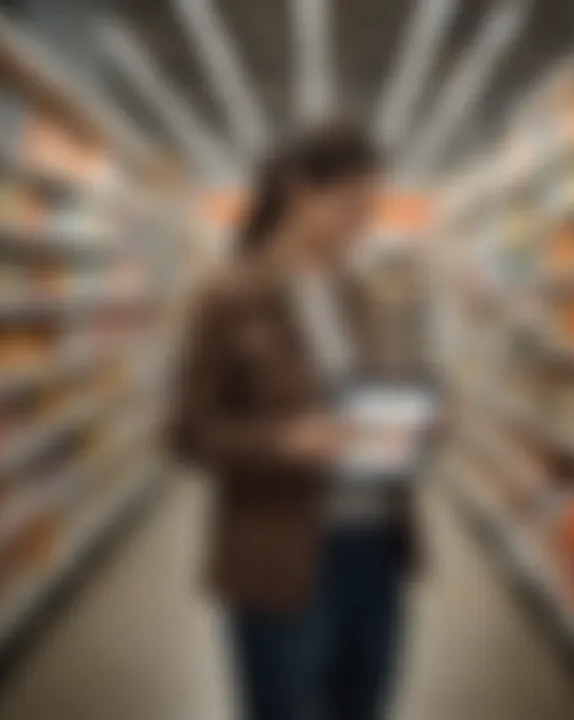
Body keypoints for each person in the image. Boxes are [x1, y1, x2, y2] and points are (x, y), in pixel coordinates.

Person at [172, 122, 426, 720]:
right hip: (281, 557)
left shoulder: (356, 290)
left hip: (375, 548)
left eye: (372, 209)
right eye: (351, 208)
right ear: (299, 193)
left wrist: (408, 422)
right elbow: (189, 431)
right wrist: (283, 442)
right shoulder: (229, 295)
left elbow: (359, 400)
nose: (365, 225)